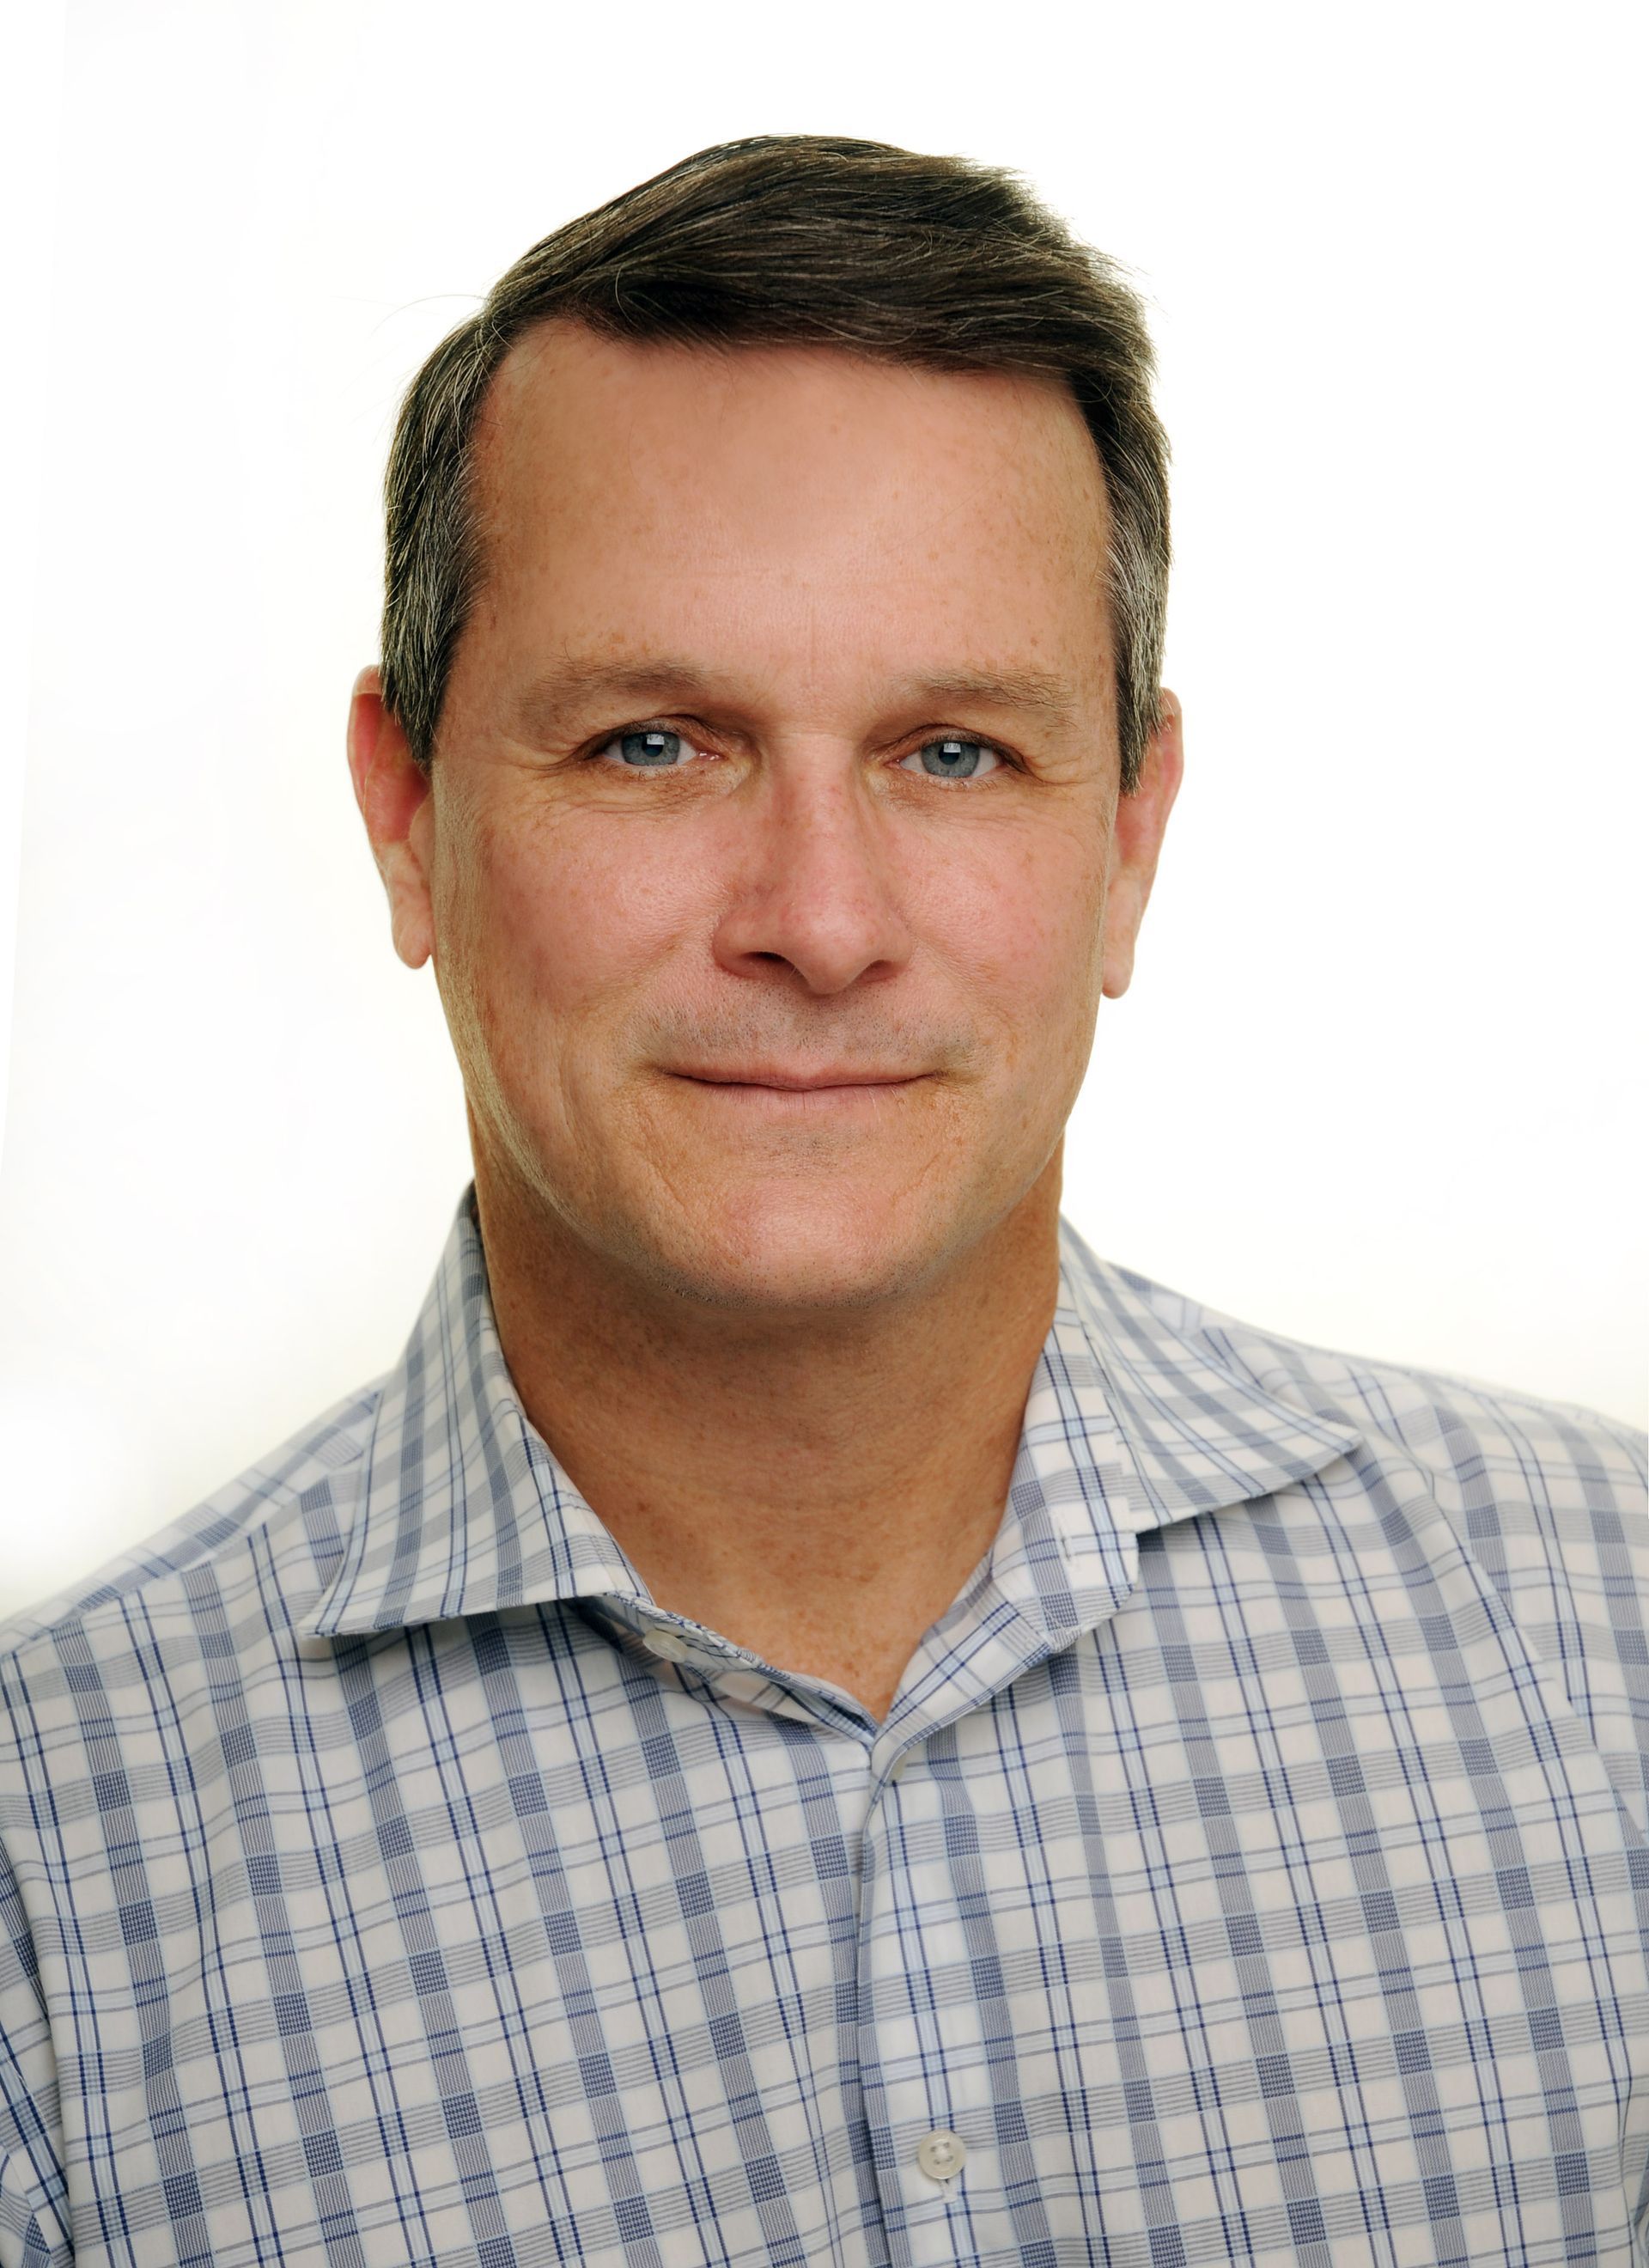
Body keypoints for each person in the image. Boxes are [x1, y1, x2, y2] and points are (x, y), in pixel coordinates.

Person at [1, 131, 1644, 2268]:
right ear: (406, 813)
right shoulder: (48, 1885)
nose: (821, 921)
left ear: (1131, 832)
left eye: (954, 752)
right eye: (654, 746)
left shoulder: (1614, 1649)